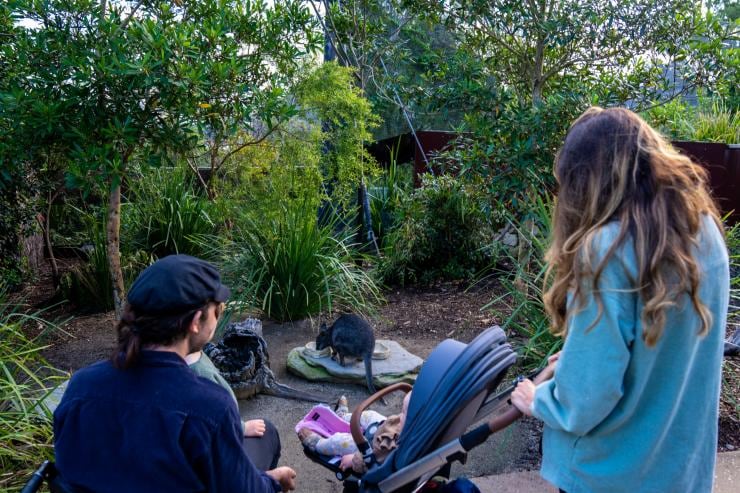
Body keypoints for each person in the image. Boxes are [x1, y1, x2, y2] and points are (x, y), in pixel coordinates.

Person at [510, 107, 729, 493]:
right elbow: (669, 351)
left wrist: (538, 399)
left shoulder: (605, 249)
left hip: (609, 476)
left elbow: (586, 398)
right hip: (680, 474)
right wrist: (580, 357)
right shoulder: (704, 232)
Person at [53, 254, 297, 492]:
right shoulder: (210, 408)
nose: (220, 312)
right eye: (217, 308)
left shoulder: (81, 387)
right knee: (267, 435)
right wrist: (271, 481)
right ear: (195, 321)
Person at [185, 349, 281, 470]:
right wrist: (241, 428)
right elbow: (214, 420)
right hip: (206, 468)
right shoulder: (200, 375)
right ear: (194, 328)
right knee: (268, 430)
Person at [298, 392, 411, 473]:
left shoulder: (392, 448)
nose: (400, 415)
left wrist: (354, 460)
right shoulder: (410, 423)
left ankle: (317, 444)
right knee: (369, 415)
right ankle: (342, 418)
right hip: (385, 429)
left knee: (341, 441)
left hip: (370, 450)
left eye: (404, 413)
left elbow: (375, 461)